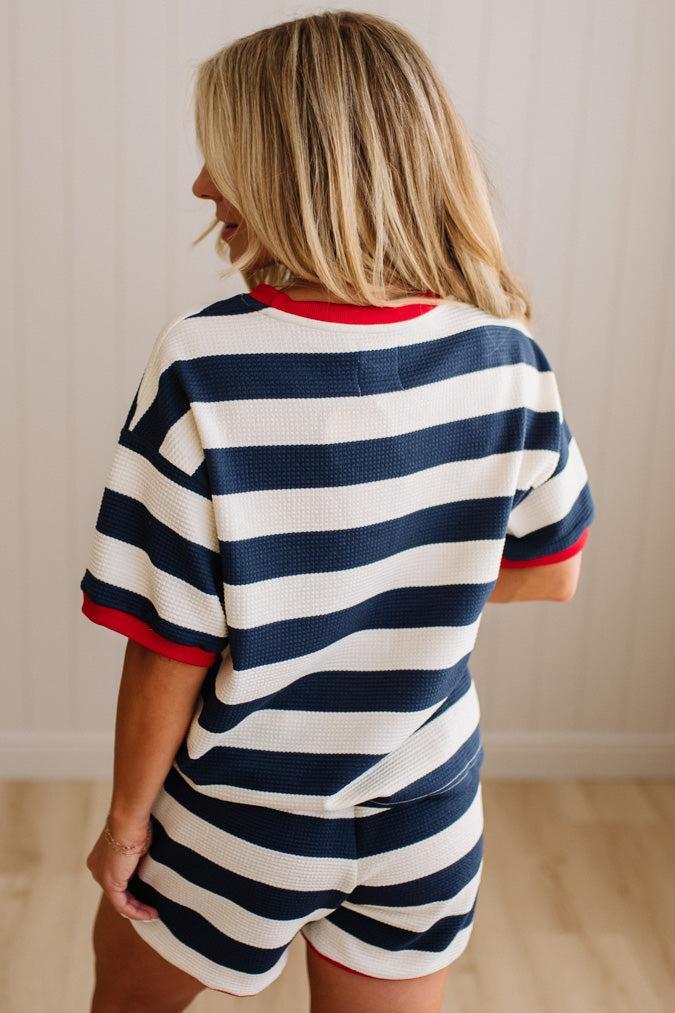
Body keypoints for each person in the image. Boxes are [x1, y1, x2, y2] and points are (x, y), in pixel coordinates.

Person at [81, 10, 595, 1012]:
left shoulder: (203, 361)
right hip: (427, 809)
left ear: (291, 165)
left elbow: (168, 641)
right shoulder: (507, 358)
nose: (200, 186)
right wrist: (394, 576)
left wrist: (126, 823)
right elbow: (553, 569)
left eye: (219, 156)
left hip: (242, 807)